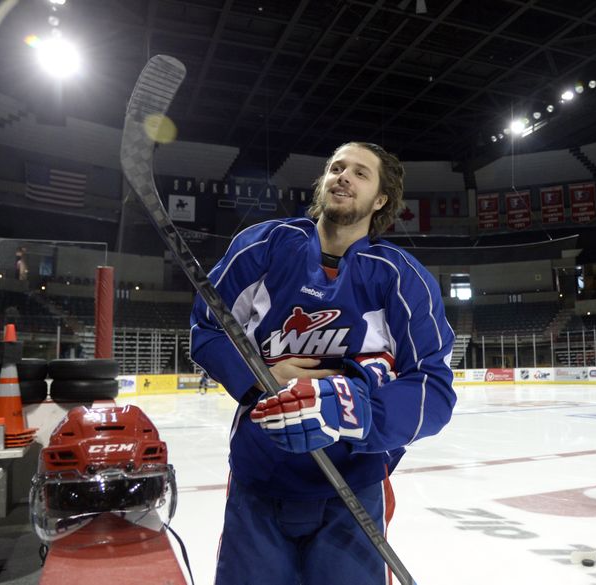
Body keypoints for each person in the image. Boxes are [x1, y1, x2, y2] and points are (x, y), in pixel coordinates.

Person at [190, 142, 456, 584]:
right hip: (259, 481)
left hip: (353, 489)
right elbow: (207, 327)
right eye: (336, 168)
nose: (343, 177)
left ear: (382, 199)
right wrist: (259, 380)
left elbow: (434, 388)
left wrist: (352, 410)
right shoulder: (265, 245)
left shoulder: (402, 277)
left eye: (360, 173)